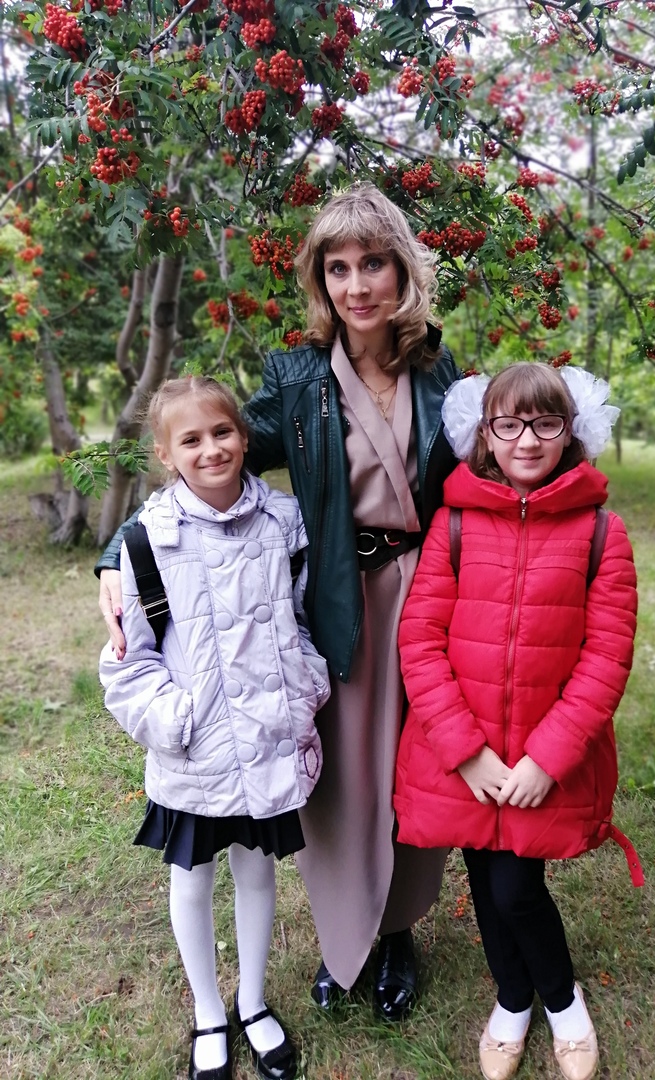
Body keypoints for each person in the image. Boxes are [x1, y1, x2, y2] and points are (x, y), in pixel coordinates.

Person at [96, 184, 460, 1021]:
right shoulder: (298, 379)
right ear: (321, 280)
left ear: (403, 270)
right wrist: (119, 552)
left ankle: (398, 931)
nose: (357, 285)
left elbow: (491, 461)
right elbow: (211, 463)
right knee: (346, 780)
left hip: (430, 594)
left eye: (373, 263)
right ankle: (346, 936)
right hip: (337, 596)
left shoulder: (440, 369)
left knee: (415, 767)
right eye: (338, 268)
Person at [394, 362, 641, 1080]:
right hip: (467, 756)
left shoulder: (601, 533)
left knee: (515, 888)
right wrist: (466, 752)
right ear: (484, 435)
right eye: (509, 425)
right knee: (484, 875)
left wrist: (547, 759)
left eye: (544, 423)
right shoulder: (454, 524)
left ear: (570, 432)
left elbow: (607, 656)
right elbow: (421, 640)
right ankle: (511, 998)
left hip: (540, 758)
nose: (527, 440)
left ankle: (561, 1001)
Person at [99, 376, 331, 1080]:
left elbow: (305, 618)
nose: (211, 450)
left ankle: (253, 1003)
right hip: (195, 750)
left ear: (244, 436)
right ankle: (208, 1012)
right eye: (191, 440)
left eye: (222, 432)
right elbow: (127, 664)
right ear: (166, 454)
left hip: (267, 738)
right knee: (192, 881)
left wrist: (305, 689)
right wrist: (179, 722)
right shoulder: (147, 541)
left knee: (256, 873)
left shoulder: (285, 522)